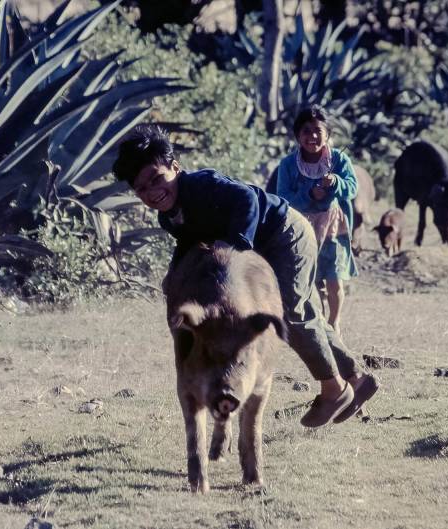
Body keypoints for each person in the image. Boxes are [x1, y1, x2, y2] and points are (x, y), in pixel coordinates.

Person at [112, 124, 377, 428]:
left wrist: (231, 246)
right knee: (306, 312)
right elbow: (189, 240)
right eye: (141, 189)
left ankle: (335, 390)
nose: (152, 192)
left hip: (286, 233)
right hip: (262, 247)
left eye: (157, 179)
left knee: (290, 312)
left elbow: (247, 201)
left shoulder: (201, 184)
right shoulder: (168, 215)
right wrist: (174, 276)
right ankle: (357, 378)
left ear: (175, 166)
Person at [275, 106, 359, 338]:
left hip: (334, 227)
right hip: (301, 229)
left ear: (328, 134)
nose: (312, 136)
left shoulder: (339, 160)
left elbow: (352, 189)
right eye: (306, 131)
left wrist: (335, 183)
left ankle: (335, 323)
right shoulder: (288, 165)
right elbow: (284, 199)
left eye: (318, 131)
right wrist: (310, 195)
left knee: (334, 278)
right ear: (297, 135)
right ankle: (318, 320)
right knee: (309, 279)